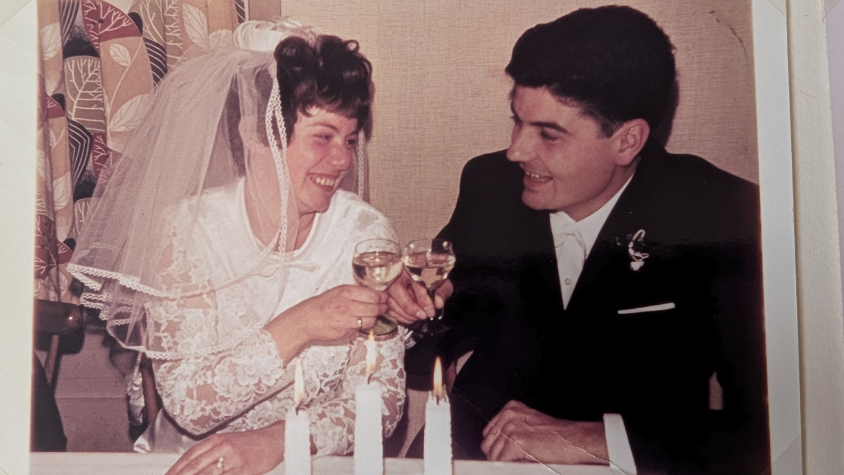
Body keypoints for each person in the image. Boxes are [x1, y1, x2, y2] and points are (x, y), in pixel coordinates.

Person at [389, 6, 767, 474]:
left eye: (549, 135)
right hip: (476, 449)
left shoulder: (724, 215)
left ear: (628, 141)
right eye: (518, 121)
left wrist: (600, 440)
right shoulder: (491, 185)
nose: (516, 151)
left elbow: (776, 428)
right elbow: (439, 334)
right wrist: (411, 308)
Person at [68, 19, 405, 475]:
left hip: (312, 463)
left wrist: (278, 442)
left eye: (348, 139)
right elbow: (189, 404)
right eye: (322, 137)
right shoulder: (188, 231)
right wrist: (303, 323)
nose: (343, 159)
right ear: (253, 134)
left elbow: (382, 401)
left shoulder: (366, 233)